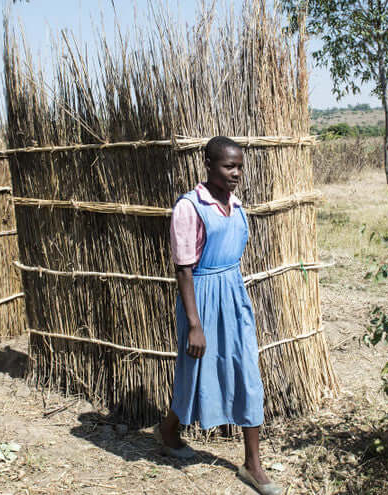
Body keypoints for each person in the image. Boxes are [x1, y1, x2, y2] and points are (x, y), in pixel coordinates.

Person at [154, 136, 284, 495]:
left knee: (246, 369)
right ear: (208, 164)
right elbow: (183, 269)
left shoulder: (236, 205)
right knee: (195, 369)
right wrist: (194, 324)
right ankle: (168, 431)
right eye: (229, 166)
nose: (236, 173)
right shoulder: (189, 207)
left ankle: (252, 464)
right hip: (201, 296)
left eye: (240, 166)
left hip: (232, 292)